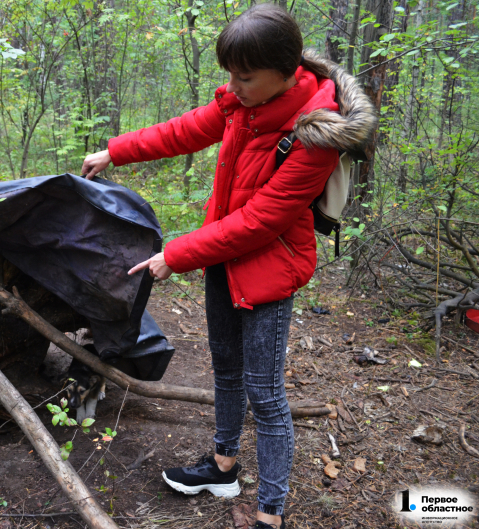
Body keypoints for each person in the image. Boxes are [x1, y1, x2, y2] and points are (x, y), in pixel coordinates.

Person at [81, 4, 376, 528]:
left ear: (286, 74)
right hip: (222, 258)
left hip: (269, 273)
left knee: (265, 393)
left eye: (245, 77)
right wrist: (115, 152)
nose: (233, 87)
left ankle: (271, 510)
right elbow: (186, 130)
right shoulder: (245, 102)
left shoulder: (316, 135)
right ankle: (222, 465)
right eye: (230, 76)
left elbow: (262, 221)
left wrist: (176, 254)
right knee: (226, 369)